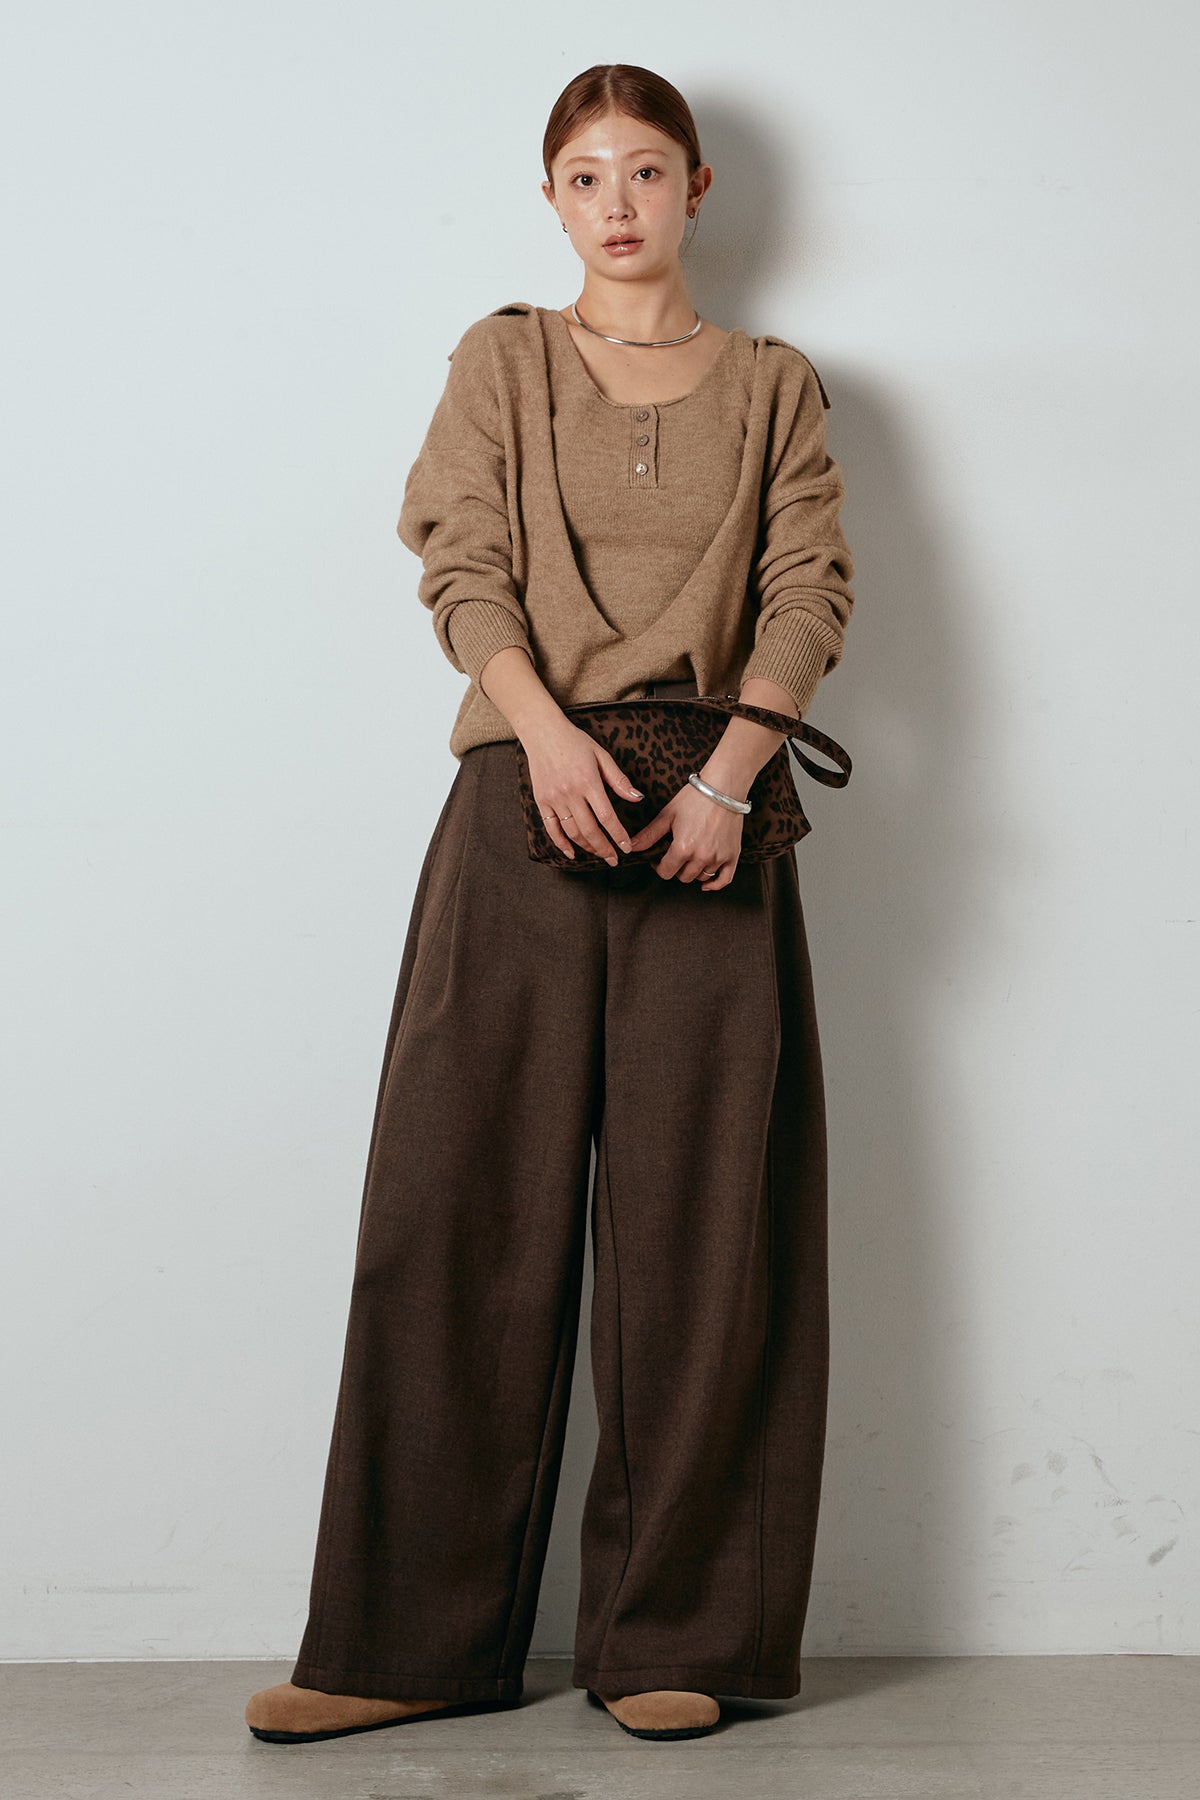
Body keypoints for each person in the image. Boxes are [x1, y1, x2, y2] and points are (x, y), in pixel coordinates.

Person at [245, 60, 855, 1748]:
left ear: (697, 189)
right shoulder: (501, 360)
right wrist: (541, 736)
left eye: (646, 170)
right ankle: (403, 1644)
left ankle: (679, 1638)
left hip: (716, 823)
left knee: (703, 1231)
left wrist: (727, 779)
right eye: (584, 175)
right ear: (551, 199)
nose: (616, 203)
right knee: (455, 1211)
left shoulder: (777, 386)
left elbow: (810, 587)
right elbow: (461, 561)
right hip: (522, 802)